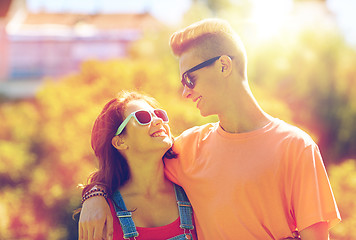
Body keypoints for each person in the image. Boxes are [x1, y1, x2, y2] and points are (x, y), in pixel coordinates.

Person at [79, 19, 340, 239]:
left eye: (189, 79)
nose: (185, 92)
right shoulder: (187, 149)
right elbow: (132, 166)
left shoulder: (296, 147)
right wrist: (95, 194)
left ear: (224, 66)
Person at [78, 91, 197, 240]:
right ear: (120, 142)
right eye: (143, 118)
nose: (158, 121)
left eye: (159, 114)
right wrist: (93, 195)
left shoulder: (192, 190)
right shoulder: (103, 213)